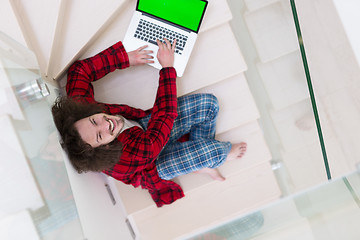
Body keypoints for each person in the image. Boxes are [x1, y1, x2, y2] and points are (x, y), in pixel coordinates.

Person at [52, 38, 247, 207]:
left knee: (209, 104)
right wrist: (168, 68)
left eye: (94, 121)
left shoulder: (82, 112)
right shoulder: (127, 157)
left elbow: (80, 71)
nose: (106, 124)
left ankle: (199, 160)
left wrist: (125, 58)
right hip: (152, 164)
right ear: (102, 148)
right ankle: (212, 159)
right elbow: (164, 115)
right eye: (100, 135)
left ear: (86, 115)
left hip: (142, 129)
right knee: (215, 151)